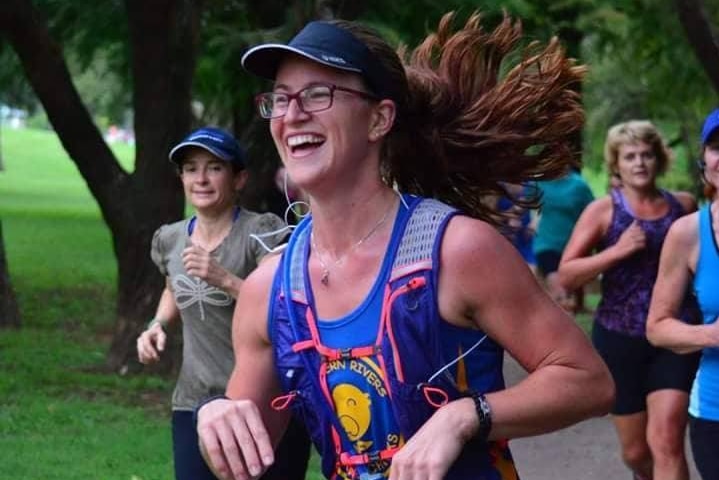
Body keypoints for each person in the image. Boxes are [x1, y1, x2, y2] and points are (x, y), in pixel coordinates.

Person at [197, 13, 614, 480]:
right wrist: (216, 416)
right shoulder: (269, 290)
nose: (292, 114)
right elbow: (243, 456)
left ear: (380, 118)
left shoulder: (455, 251)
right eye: (280, 98)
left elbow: (588, 381)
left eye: (319, 94)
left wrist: (463, 417)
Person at [135, 127, 310, 480]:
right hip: (194, 401)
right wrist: (157, 325)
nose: (200, 178)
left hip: (263, 400)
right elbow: (173, 287)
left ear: (239, 179)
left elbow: (283, 309)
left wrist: (224, 279)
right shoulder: (169, 238)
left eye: (214, 168)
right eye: (190, 168)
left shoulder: (263, 232)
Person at [557, 120, 699, 480]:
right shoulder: (604, 211)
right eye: (630, 156)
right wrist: (615, 252)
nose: (639, 163)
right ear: (616, 164)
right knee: (637, 452)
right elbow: (568, 275)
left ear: (659, 160)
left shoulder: (682, 206)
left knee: (667, 440)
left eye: (647, 154)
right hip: (620, 337)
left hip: (675, 334)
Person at [646, 108, 719, 480]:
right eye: (717, 147)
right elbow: (657, 327)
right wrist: (711, 335)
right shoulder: (687, 233)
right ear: (705, 162)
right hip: (714, 411)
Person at [533, 168, 595, 313]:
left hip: (573, 244)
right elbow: (524, 201)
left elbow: (592, 211)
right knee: (558, 288)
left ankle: (577, 307)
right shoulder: (539, 183)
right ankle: (563, 315)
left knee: (574, 286)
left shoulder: (579, 185)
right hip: (545, 243)